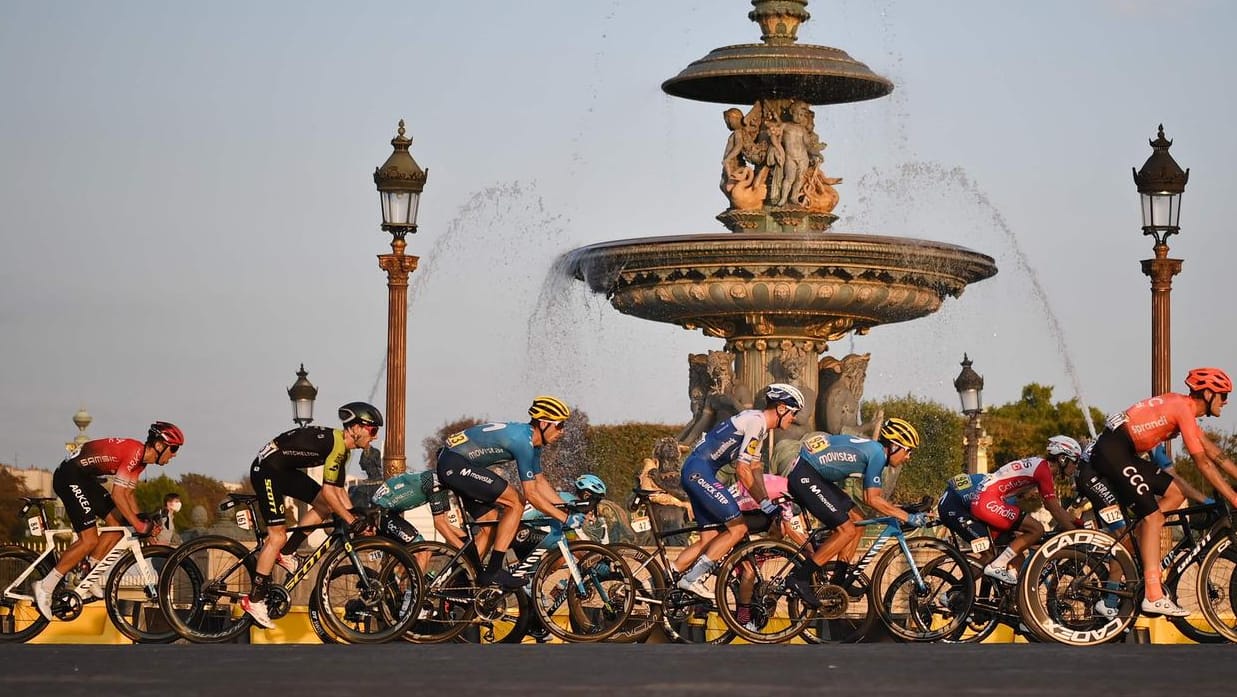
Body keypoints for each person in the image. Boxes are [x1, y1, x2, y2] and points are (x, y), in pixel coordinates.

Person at [1088, 367, 1237, 617]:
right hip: (1114, 450)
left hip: (1122, 451)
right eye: (1223, 395)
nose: (1226, 401)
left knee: (1177, 493)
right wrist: (1233, 498)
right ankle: (1154, 595)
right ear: (1209, 393)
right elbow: (1203, 463)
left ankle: (1144, 530)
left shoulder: (1182, 407)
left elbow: (1216, 455)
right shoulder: (1182, 408)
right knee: (1154, 516)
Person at [239, 402, 382, 629]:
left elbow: (337, 490)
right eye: (372, 430)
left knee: (324, 507)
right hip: (267, 470)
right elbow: (328, 491)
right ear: (355, 428)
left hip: (283, 470)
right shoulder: (336, 447)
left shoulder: (342, 450)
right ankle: (254, 599)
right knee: (277, 537)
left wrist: (356, 514)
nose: (374, 437)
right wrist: (350, 520)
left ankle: (287, 553)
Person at [34, 421, 185, 619]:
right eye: (173, 448)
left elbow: (129, 495)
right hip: (69, 477)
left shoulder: (140, 462)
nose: (174, 454)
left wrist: (140, 523)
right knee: (89, 539)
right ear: (159, 445)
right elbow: (118, 495)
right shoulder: (134, 454)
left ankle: (86, 572)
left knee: (118, 524)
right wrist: (140, 526)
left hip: (84, 478)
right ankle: (45, 586)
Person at [674, 383, 805, 600]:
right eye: (793, 413)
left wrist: (765, 501)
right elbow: (742, 469)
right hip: (700, 473)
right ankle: (691, 579)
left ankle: (661, 579)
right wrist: (764, 504)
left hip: (697, 471)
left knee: (709, 539)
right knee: (738, 528)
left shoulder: (758, 424)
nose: (794, 419)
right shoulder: (756, 423)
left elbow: (754, 469)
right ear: (781, 408)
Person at [434, 396, 576, 590]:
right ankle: (493, 572)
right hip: (455, 464)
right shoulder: (522, 442)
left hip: (455, 462)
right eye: (560, 425)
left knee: (490, 524)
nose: (562, 431)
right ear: (544, 423)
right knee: (516, 502)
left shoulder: (532, 443)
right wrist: (564, 518)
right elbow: (532, 494)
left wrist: (567, 507)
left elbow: (540, 482)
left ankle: (460, 584)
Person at [781, 419, 923, 607]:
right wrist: (907, 517)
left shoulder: (873, 449)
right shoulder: (878, 455)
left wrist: (902, 509)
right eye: (908, 450)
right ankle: (799, 578)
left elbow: (875, 498)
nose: (908, 457)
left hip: (813, 473)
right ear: (895, 446)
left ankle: (839, 581)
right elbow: (871, 499)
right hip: (805, 475)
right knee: (846, 530)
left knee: (858, 521)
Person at [971, 436, 1082, 586]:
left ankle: (996, 593)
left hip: (987, 500)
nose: (1076, 466)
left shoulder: (1040, 466)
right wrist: (1076, 535)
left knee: (1016, 555)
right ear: (1062, 458)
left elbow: (1052, 506)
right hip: (988, 501)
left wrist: (1072, 521)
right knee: (1037, 529)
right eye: (1075, 461)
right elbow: (1053, 508)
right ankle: (996, 566)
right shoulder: (1044, 470)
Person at [936, 472, 992, 562]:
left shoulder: (994, 479)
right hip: (955, 509)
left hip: (950, 503)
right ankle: (969, 576)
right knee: (991, 554)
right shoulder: (1010, 496)